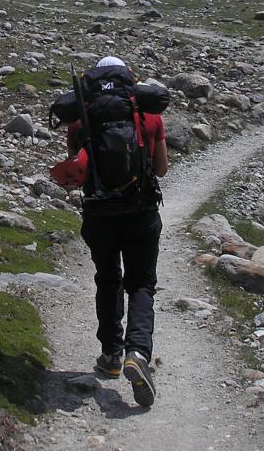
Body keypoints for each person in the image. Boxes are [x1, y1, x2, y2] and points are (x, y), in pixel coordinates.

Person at [65, 56, 168, 407]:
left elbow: (78, 168)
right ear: (129, 81)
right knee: (141, 283)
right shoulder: (149, 115)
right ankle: (137, 353)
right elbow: (161, 169)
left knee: (108, 279)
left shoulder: (81, 117)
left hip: (99, 215)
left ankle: (110, 354)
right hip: (141, 213)